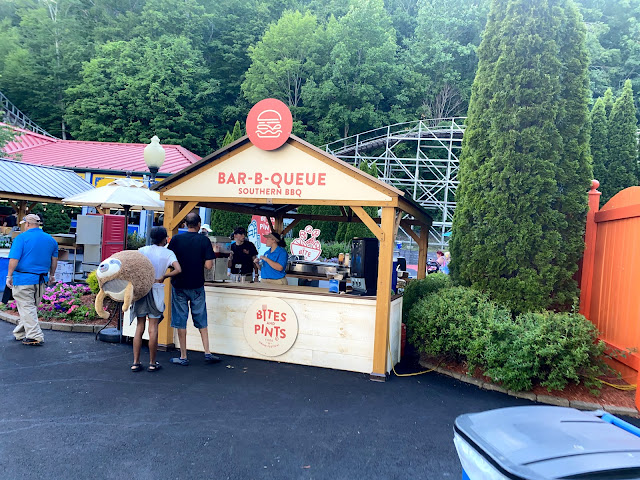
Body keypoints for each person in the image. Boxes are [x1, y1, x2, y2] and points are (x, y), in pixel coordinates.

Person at [167, 212, 219, 366]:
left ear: (185, 224)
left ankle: (183, 356)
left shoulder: (176, 239)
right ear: (199, 224)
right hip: (197, 284)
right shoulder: (204, 240)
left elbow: (170, 261)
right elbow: (209, 265)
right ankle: (207, 352)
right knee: (201, 317)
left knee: (181, 320)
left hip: (179, 284)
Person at [130, 226, 182, 372]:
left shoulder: (142, 251)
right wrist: (164, 276)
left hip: (141, 291)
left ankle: (135, 362)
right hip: (157, 290)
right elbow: (178, 269)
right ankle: (152, 363)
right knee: (153, 328)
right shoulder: (168, 253)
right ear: (164, 238)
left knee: (139, 327)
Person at [6, 214, 58, 346]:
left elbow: (14, 259)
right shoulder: (50, 240)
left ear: (27, 224)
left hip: (23, 278)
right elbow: (54, 260)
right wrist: (52, 275)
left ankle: (35, 336)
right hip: (41, 279)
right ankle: (20, 332)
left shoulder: (21, 238)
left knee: (27, 307)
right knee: (29, 308)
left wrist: (9, 276)